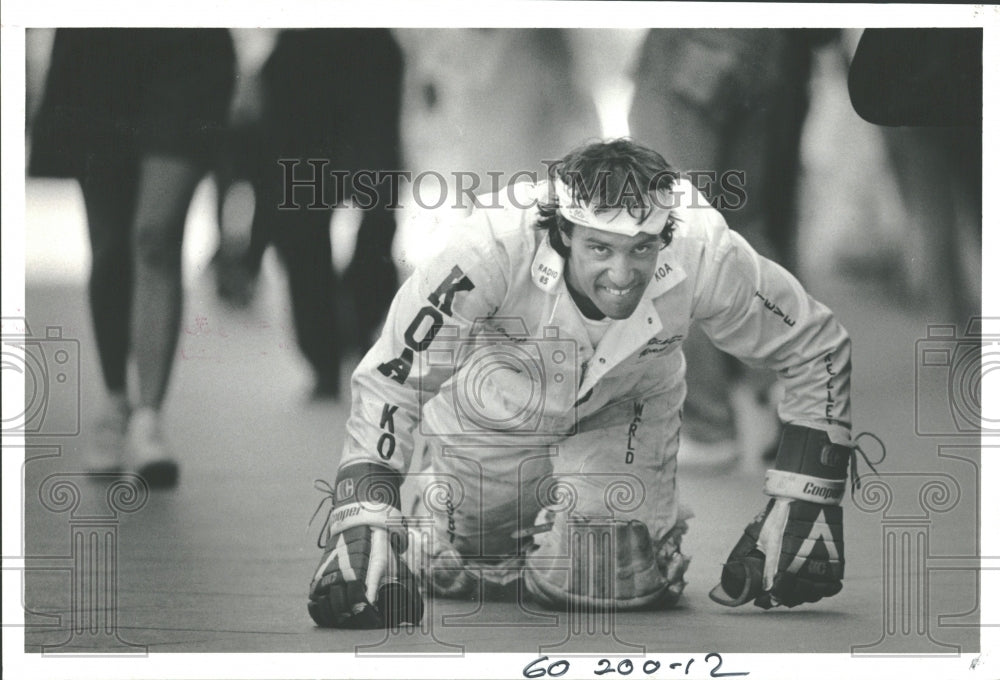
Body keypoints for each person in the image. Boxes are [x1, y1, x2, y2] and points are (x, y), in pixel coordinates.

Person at [306, 139, 856, 628]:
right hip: (495, 408)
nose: (622, 275)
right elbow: (394, 376)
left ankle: (597, 538)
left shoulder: (704, 249)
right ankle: (446, 520)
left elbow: (815, 344)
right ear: (564, 232)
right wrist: (365, 517)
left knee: (601, 578)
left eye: (642, 247)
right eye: (601, 248)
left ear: (665, 233)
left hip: (627, 408)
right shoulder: (486, 248)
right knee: (476, 561)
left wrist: (806, 497)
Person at [29, 29, 236, 487]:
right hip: (98, 46)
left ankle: (148, 418)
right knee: (109, 245)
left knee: (155, 235)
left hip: (188, 48)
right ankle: (115, 400)